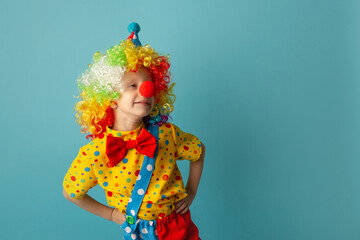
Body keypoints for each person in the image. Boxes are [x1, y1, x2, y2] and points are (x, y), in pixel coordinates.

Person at [62, 22, 205, 240]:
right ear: (109, 96)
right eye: (132, 85)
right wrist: (110, 214)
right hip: (138, 231)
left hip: (177, 225)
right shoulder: (96, 153)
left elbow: (198, 150)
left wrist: (191, 192)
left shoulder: (168, 134)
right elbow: (71, 192)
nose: (145, 91)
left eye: (149, 84)